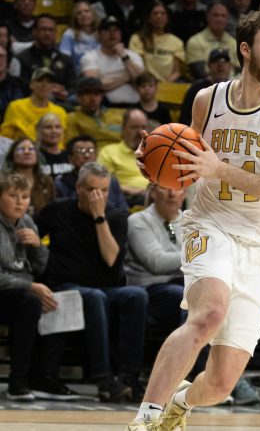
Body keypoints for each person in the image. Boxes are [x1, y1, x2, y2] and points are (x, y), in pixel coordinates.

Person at [114, 7, 260, 431]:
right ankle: (143, 419)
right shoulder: (208, 100)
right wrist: (155, 163)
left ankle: (178, 405)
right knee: (208, 314)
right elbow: (183, 167)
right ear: (245, 49)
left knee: (221, 383)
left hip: (259, 244)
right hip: (209, 223)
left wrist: (218, 167)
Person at [39, 162, 149, 403]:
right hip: (65, 286)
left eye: (104, 190)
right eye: (91, 189)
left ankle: (129, 376)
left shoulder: (116, 216)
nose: (98, 196)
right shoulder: (56, 210)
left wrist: (100, 217)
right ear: (78, 188)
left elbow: (111, 259)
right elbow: (33, 239)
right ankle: (104, 378)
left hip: (106, 287)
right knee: (94, 297)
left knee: (136, 295)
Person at [0, 171, 75, 401]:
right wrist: (31, 287)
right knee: (31, 301)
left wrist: (37, 246)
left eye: (24, 196)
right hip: (6, 292)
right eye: (13, 195)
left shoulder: (28, 222)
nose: (19, 202)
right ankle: (18, 381)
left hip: (24, 291)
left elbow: (42, 267)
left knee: (59, 300)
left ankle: (45, 377)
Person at [126, 184, 185, 331]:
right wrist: (197, 256)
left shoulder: (190, 221)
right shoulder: (138, 220)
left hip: (182, 283)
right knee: (191, 297)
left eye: (177, 188)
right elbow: (157, 263)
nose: (172, 194)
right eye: (165, 187)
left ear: (184, 194)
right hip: (150, 289)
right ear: (152, 192)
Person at [79, 17, 144, 108]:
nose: (112, 33)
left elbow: (142, 82)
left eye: (116, 30)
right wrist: (127, 77)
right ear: (99, 34)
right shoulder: (90, 57)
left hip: (136, 107)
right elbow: (95, 86)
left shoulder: (132, 56)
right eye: (107, 30)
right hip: (105, 107)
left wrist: (124, 57)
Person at [55, 135, 127, 214]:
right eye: (80, 151)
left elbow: (123, 210)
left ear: (96, 154)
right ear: (70, 158)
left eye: (91, 150)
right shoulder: (61, 182)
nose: (87, 155)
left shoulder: (111, 180)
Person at [0, 68, 68, 143]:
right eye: (39, 81)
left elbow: (61, 142)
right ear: (31, 85)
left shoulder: (60, 112)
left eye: (48, 82)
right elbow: (5, 138)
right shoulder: (16, 107)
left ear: (53, 87)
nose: (44, 85)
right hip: (23, 148)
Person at [99, 109, 149, 206]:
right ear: (123, 129)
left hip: (157, 197)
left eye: (143, 127)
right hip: (128, 200)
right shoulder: (108, 152)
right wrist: (132, 191)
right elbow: (102, 183)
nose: (139, 132)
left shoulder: (155, 152)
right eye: (134, 127)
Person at [129, 2, 185, 83]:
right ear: (149, 18)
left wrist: (164, 84)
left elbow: (176, 72)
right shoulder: (137, 38)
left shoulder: (177, 42)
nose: (159, 16)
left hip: (168, 84)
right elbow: (137, 66)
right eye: (155, 14)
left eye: (163, 13)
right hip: (144, 83)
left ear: (167, 18)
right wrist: (151, 83)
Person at [65, 77, 123, 148]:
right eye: (87, 94)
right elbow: (71, 146)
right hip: (94, 153)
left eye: (96, 94)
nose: (92, 99)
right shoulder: (73, 118)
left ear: (101, 96)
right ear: (78, 97)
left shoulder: (118, 114)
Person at [3, 137, 54, 216]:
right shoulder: (4, 181)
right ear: (12, 156)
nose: (27, 152)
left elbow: (53, 210)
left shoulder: (46, 181)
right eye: (21, 149)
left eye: (31, 149)